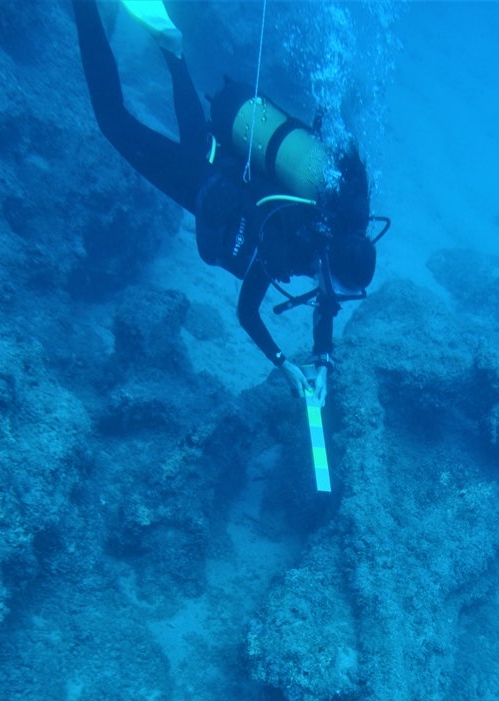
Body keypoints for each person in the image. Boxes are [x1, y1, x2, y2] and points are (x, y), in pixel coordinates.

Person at [73, 0, 383, 408]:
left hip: (233, 168)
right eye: (335, 287)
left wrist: (322, 360)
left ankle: (172, 49)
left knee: (197, 143)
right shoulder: (289, 242)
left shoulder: (345, 220)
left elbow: (326, 302)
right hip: (211, 186)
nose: (330, 296)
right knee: (114, 123)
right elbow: (247, 312)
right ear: (329, 259)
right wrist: (283, 362)